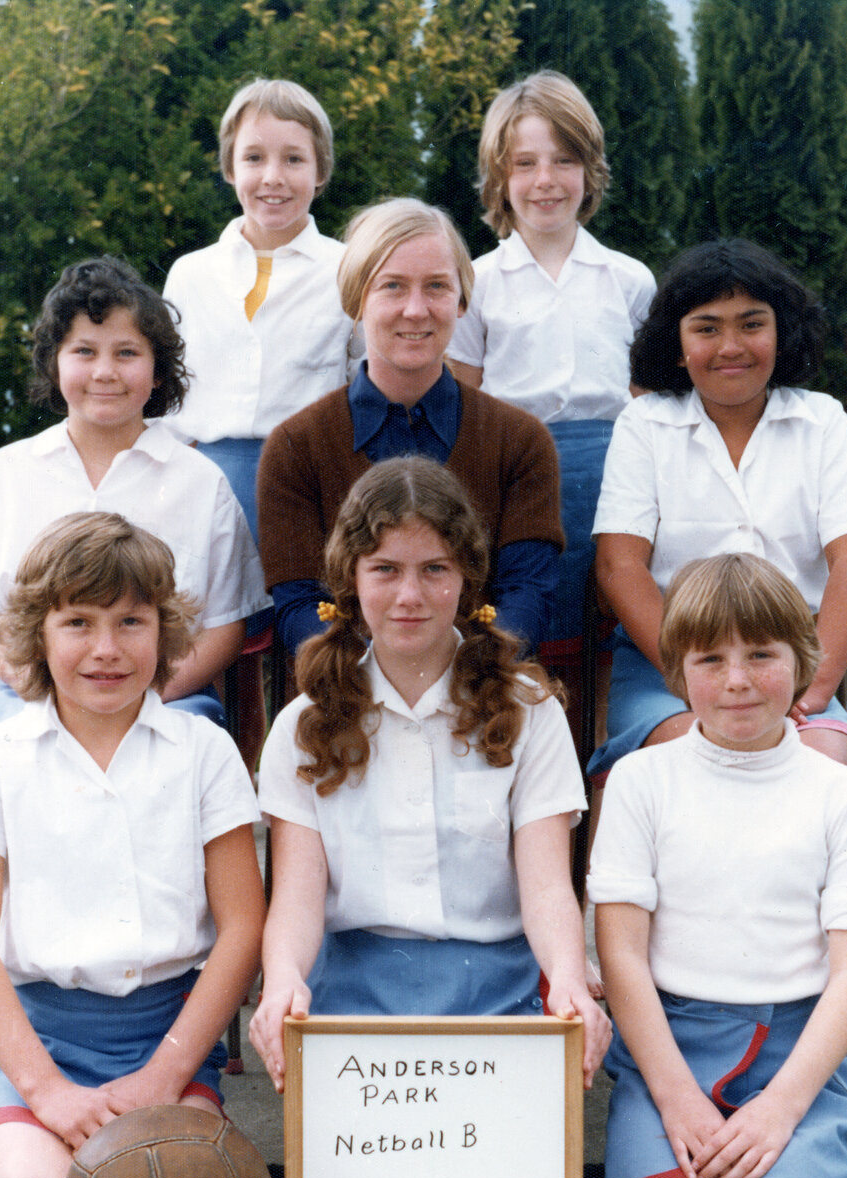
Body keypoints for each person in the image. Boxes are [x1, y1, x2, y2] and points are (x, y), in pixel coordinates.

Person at [0, 512, 267, 1178]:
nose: (106, 649)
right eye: (77, 621)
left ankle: (149, 1135)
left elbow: (243, 926)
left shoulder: (204, 752)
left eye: (130, 621)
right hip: (37, 1044)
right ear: (38, 635)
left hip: (164, 1042)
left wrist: (165, 1075)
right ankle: (7, 1166)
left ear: (164, 631)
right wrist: (45, 1091)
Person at [249, 457, 610, 1094]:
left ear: (468, 579)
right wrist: (282, 981)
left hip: (501, 993)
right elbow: (297, 900)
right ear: (350, 579)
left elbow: (549, 887)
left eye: (434, 570)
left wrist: (570, 977)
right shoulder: (305, 724)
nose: (409, 596)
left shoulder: (529, 713)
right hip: (350, 1001)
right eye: (385, 569)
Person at [589, 553, 847, 1178]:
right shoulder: (640, 780)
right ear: (676, 668)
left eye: (762, 654)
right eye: (710, 657)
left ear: (804, 659)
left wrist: (781, 1108)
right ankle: (684, 1143)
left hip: (800, 1045)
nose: (736, 680)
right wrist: (677, 1100)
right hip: (673, 1041)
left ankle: (803, 1147)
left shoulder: (839, 795)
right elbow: (622, 953)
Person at [590, 238, 847, 779]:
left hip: (788, 671)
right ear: (676, 345)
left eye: (751, 324)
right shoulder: (645, 425)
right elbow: (618, 566)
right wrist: (689, 678)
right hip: (668, 671)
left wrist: (811, 692)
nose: (730, 346)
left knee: (819, 761)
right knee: (698, 757)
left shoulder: (823, 422)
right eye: (706, 328)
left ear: (781, 331)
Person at [0, 256, 267, 729]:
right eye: (84, 352)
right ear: (54, 363)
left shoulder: (202, 483)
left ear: (158, 370)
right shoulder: (6, 474)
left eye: (126, 353)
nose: (104, 372)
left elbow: (225, 625)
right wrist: (52, 697)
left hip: (167, 706)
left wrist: (142, 699)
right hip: (31, 704)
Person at [256, 198, 564, 659]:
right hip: (347, 700)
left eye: (437, 286)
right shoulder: (297, 448)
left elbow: (525, 599)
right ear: (356, 299)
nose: (416, 310)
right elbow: (301, 608)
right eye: (393, 287)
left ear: (462, 301)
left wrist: (453, 686)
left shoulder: (520, 442)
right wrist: (382, 686)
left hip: (479, 695)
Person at [163, 79, 358, 764]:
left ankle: (309, 799)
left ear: (320, 170)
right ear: (229, 167)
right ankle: (225, 810)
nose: (272, 178)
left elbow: (359, 387)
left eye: (293, 159)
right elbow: (167, 401)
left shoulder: (347, 270)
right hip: (206, 488)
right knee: (214, 656)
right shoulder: (191, 274)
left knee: (308, 658)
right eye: (254, 158)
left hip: (310, 493)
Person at [447, 70, 655, 693]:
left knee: (606, 640)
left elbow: (646, 408)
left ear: (589, 171)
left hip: (613, 483)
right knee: (522, 639)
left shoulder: (628, 280)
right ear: (499, 179)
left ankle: (600, 769)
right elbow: (464, 403)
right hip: (514, 483)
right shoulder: (476, 284)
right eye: (525, 164)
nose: (545, 181)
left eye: (564, 161)